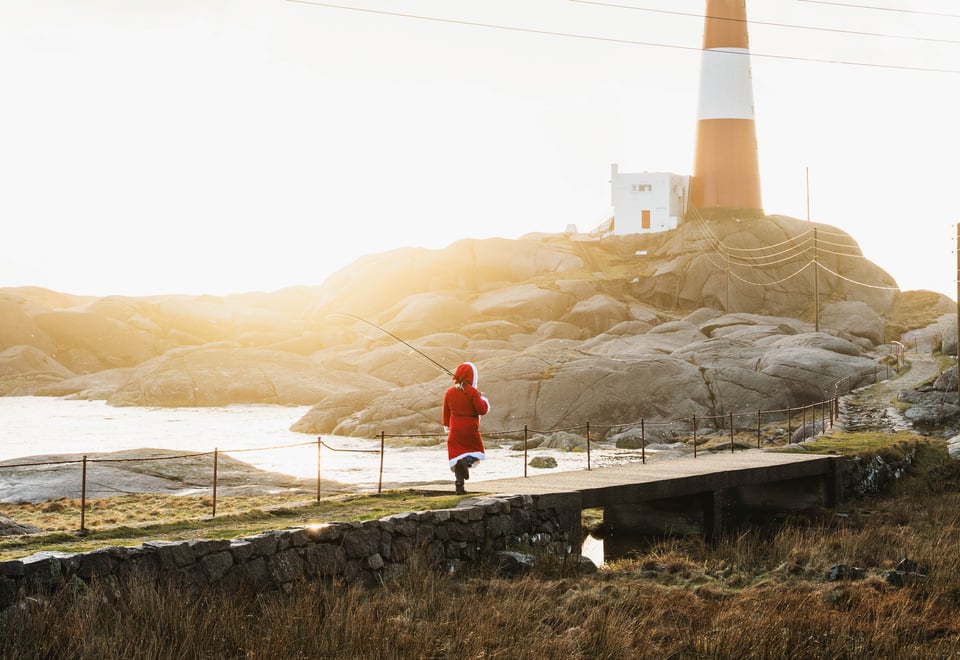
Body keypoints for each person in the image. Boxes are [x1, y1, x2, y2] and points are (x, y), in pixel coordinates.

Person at [442, 361, 490, 495]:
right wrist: (484, 398)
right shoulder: (473, 392)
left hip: (455, 429)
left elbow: (446, 412)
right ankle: (466, 462)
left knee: (457, 457)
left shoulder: (449, 392)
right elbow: (482, 410)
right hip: (470, 428)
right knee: (476, 453)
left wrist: (447, 425)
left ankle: (459, 487)